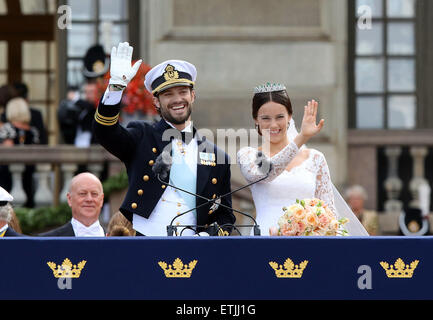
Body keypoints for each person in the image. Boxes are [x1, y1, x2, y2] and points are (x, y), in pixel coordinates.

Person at [93, 42, 235, 236]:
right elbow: (105, 132)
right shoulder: (142, 137)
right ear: (156, 102)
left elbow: (225, 217)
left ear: (193, 95)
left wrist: (205, 237)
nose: (177, 99)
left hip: (194, 253)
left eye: (183, 92)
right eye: (168, 94)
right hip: (145, 245)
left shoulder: (217, 156)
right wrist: (115, 88)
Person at [237, 83, 368, 236]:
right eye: (265, 118)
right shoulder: (248, 155)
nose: (273, 124)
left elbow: (329, 214)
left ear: (290, 117)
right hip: (265, 239)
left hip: (308, 245)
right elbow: (266, 172)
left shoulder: (315, 158)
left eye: (280, 117)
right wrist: (302, 137)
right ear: (256, 120)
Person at [39, 172, 105, 237]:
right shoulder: (46, 240)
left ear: (101, 199)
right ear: (69, 199)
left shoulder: (114, 238)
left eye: (94, 194)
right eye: (82, 194)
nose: (89, 199)